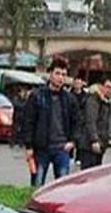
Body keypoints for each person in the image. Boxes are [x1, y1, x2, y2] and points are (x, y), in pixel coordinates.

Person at [24, 57, 78, 187]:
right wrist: (29, 146)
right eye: (57, 73)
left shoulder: (69, 99)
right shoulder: (37, 96)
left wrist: (73, 141)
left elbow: (77, 121)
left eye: (64, 74)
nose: (60, 78)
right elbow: (28, 121)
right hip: (41, 148)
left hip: (62, 149)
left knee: (62, 188)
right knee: (37, 185)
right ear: (50, 74)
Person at [78, 78, 111, 169]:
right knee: (88, 173)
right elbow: (90, 121)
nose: (109, 90)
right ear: (100, 86)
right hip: (89, 144)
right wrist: (94, 140)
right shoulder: (93, 99)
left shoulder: (107, 101)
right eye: (107, 87)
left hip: (101, 143)